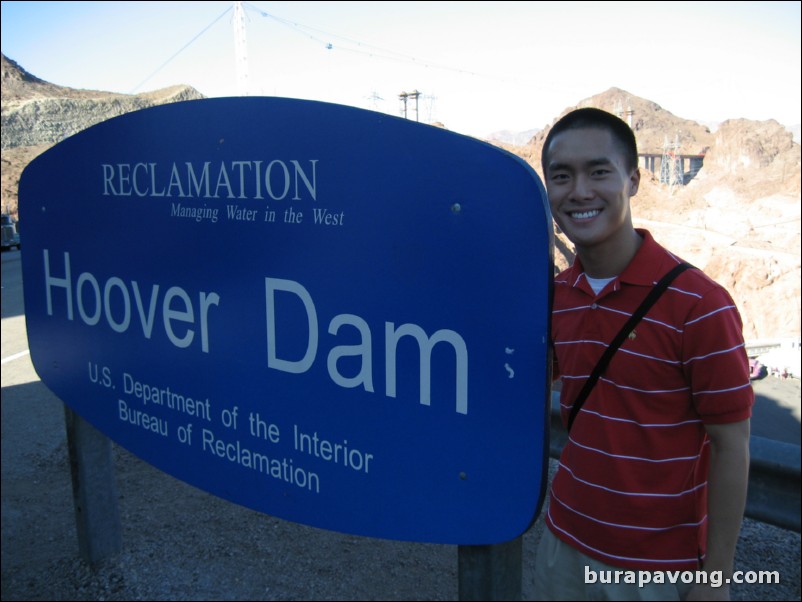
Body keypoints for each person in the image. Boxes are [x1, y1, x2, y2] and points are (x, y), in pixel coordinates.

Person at [534, 108, 753, 601]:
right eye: (562, 176)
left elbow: (731, 446)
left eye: (599, 172)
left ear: (633, 180)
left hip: (656, 569)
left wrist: (716, 579)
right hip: (562, 543)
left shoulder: (700, 305)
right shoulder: (555, 296)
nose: (580, 191)